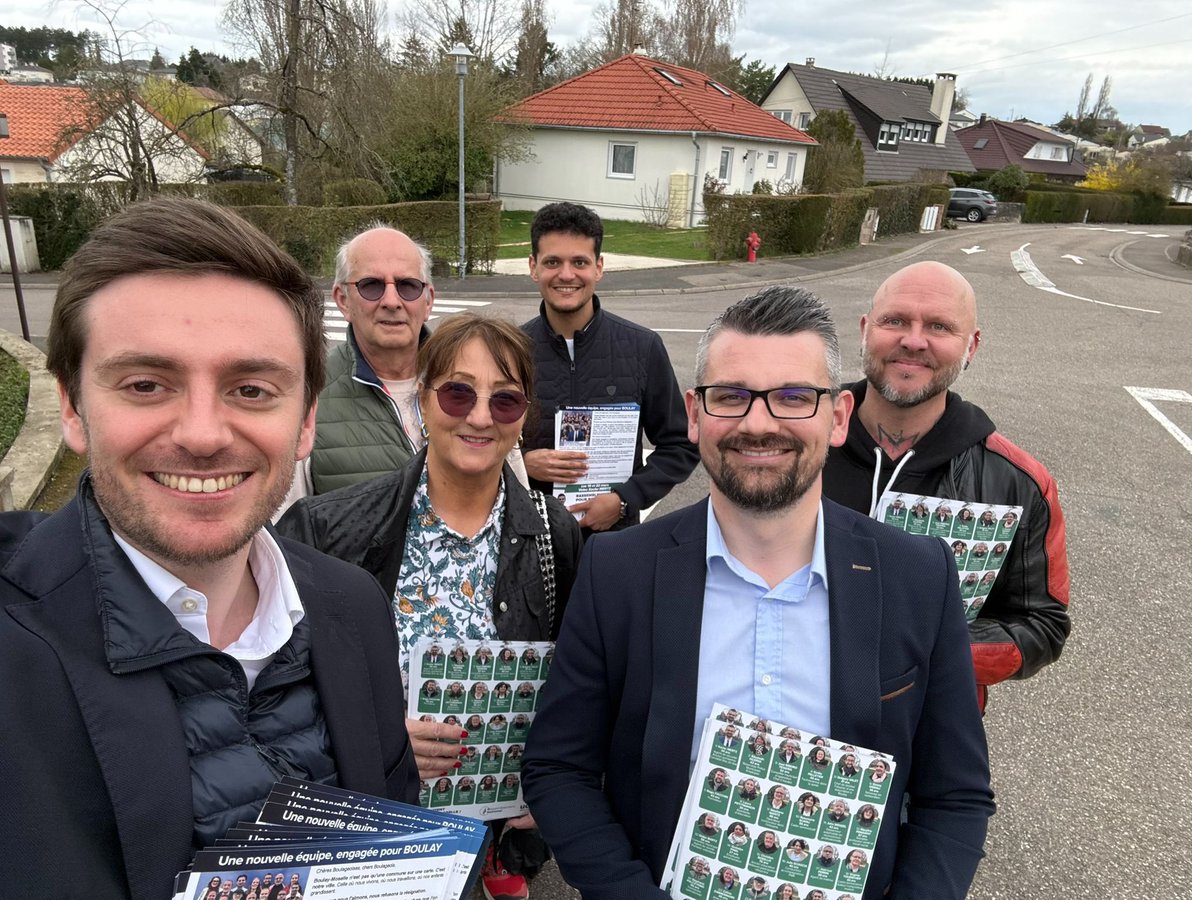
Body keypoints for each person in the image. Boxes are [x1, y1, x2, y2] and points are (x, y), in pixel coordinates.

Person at [0, 199, 421, 898]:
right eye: (146, 384)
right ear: (72, 406)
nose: (202, 433)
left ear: (306, 419)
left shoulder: (355, 608)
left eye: (251, 389)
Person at [522, 286, 993, 900]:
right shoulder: (618, 572)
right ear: (694, 415)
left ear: (839, 416)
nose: (759, 423)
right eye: (731, 396)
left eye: (795, 397)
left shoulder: (918, 576)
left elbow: (953, 795)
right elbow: (560, 768)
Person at [277, 313, 581, 900]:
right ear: (422, 398)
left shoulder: (552, 534)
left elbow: (575, 682)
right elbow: (277, 699)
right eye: (458, 392)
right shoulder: (325, 530)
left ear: (525, 416)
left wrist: (553, 783)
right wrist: (379, 741)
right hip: (368, 832)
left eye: (506, 400)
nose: (478, 415)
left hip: (489, 832)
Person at [822, 260, 1070, 710]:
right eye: (894, 320)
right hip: (788, 729)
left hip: (928, 734)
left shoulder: (1017, 483)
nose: (913, 341)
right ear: (864, 329)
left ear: (971, 345)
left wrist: (927, 648)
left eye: (938, 326)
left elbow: (1041, 624)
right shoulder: (791, 443)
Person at [299, 225, 528, 499]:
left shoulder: (478, 376)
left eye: (408, 286)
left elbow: (517, 499)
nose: (392, 301)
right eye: (371, 286)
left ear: (429, 299)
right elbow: (286, 531)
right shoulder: (308, 393)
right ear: (342, 300)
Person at [520, 202, 699, 534]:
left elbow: (681, 444)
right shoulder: (510, 350)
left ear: (598, 267)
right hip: (532, 541)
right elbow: (480, 442)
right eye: (552, 262)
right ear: (533, 267)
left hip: (614, 542)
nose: (566, 274)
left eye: (580, 262)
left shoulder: (642, 347)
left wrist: (625, 500)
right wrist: (524, 462)